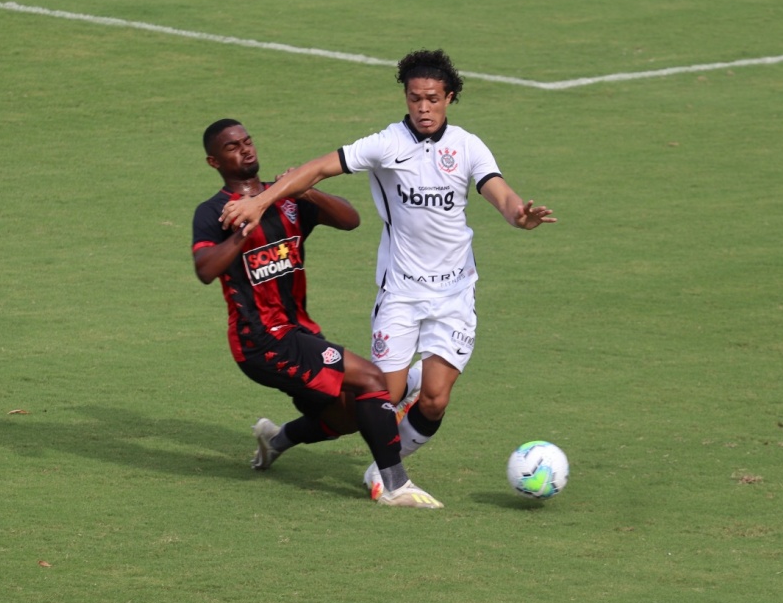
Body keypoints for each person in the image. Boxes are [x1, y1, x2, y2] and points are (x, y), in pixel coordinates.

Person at [219, 49, 556, 503]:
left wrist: (520, 217)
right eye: (415, 98)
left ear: (450, 98)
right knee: (379, 398)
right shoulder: (385, 144)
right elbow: (317, 169)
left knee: (435, 399)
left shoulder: (468, 146)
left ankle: (383, 471)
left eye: (433, 99)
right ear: (406, 97)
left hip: (456, 294)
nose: (423, 108)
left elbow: (502, 195)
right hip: (401, 293)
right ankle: (280, 439)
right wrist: (260, 202)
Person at [192, 118, 443, 508]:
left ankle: (275, 441)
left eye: (248, 140)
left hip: (299, 332)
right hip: (262, 340)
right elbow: (206, 269)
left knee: (347, 415)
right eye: (232, 147)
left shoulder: (287, 200)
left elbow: (350, 219)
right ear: (214, 162)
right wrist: (244, 228)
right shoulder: (214, 212)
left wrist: (306, 192)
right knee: (372, 380)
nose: (245, 149)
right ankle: (395, 485)